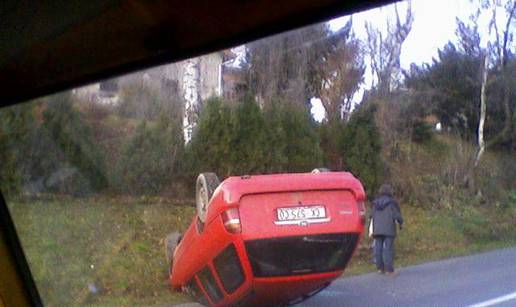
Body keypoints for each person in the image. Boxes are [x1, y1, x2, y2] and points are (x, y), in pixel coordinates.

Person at [369, 184, 403, 275]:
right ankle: (389, 270)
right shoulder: (392, 203)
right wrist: (400, 222)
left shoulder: (375, 203)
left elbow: (370, 215)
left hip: (377, 228)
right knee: (388, 249)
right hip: (389, 228)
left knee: (378, 249)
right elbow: (397, 215)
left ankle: (380, 269)